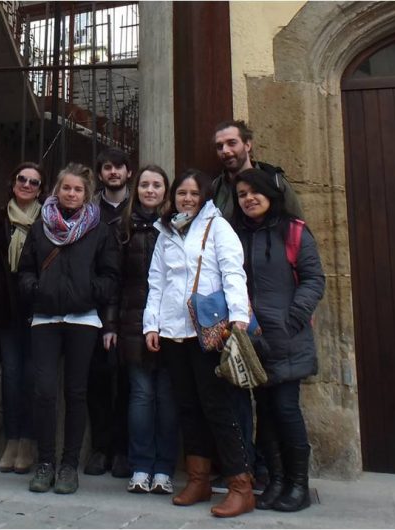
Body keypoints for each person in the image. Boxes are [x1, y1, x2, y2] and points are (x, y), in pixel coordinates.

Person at [143, 169, 254, 518]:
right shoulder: (166, 231)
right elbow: (156, 282)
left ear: (203, 197)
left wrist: (239, 316)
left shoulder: (217, 227)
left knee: (218, 407)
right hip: (174, 333)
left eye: (193, 193)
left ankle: (240, 485)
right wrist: (152, 324)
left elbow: (233, 272)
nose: (187, 199)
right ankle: (198, 479)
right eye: (181, 194)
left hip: (209, 331)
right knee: (187, 407)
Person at [18, 163, 120, 495]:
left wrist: (89, 292)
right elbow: (26, 270)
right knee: (44, 390)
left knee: (76, 393)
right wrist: (36, 290)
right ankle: (45, 462)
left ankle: (68, 466)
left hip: (83, 319)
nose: (71, 194)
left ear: (86, 194)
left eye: (77, 189)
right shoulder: (39, 227)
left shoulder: (99, 230)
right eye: (66, 188)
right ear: (57, 190)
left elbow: (110, 275)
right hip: (45, 318)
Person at [231, 168, 325, 512]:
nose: (248, 199)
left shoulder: (294, 230)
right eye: (241, 194)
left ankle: (298, 484)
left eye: (253, 192)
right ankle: (277, 481)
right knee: (266, 413)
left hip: (287, 338)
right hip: (254, 341)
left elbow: (314, 278)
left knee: (286, 410)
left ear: (270, 195)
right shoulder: (236, 234)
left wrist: (292, 318)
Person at [102, 164, 179, 495]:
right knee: (141, 396)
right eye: (145, 184)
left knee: (166, 397)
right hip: (133, 321)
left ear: (166, 191)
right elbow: (113, 279)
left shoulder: (178, 228)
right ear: (137, 189)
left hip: (172, 322)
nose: (150, 190)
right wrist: (110, 323)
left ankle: (164, 468)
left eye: (157, 185)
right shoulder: (123, 227)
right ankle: (140, 465)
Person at [0, 162, 46, 474]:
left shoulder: (48, 220)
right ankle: (12, 439)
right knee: (12, 377)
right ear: (13, 182)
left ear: (41, 189)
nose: (27, 185)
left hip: (37, 309)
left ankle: (29, 441)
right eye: (22, 179)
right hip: (5, 311)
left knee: (33, 377)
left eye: (34, 182)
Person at [86, 147, 133, 478]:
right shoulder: (90, 212)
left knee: (129, 383)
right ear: (100, 174)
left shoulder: (141, 206)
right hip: (95, 303)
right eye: (107, 167)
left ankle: (122, 449)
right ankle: (99, 448)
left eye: (118, 167)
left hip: (133, 306)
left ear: (128, 172)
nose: (113, 172)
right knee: (97, 383)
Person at [211, 120, 303, 222]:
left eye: (232, 143)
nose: (225, 151)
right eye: (219, 146)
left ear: (247, 145)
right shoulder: (216, 187)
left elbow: (298, 228)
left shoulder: (274, 181)